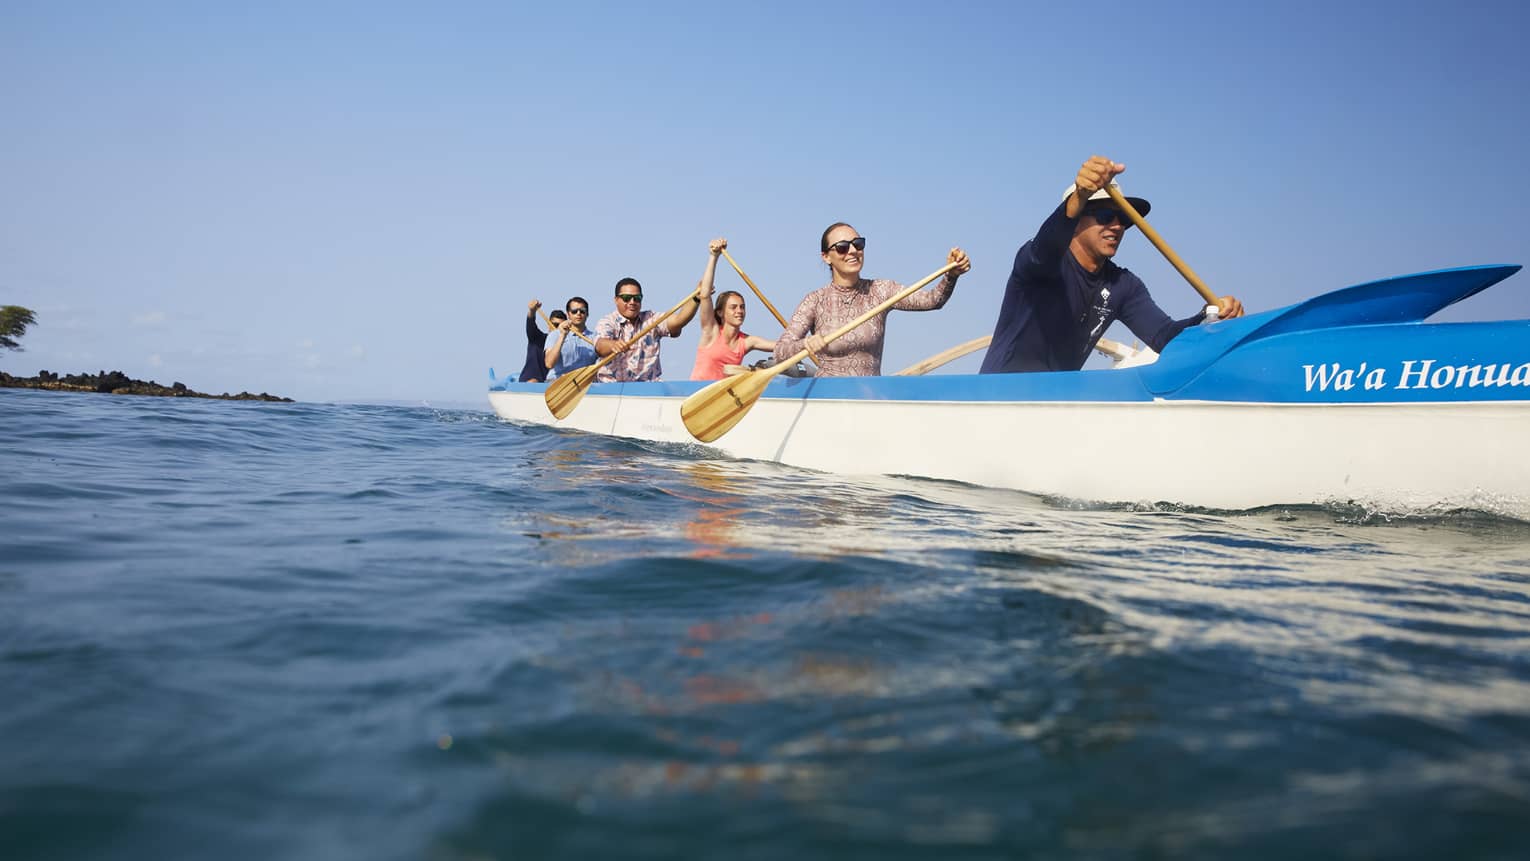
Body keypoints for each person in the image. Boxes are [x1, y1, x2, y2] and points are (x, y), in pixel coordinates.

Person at [980, 156, 1245, 374]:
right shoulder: (1040, 265)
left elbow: (1165, 337)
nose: (1117, 226)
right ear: (1075, 223)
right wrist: (1079, 198)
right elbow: (1045, 246)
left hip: (1055, 407)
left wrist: (1210, 318)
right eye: (1105, 216)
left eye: (1123, 220)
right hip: (998, 401)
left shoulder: (1124, 286)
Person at [772, 223, 970, 376]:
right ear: (826, 257)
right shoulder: (815, 300)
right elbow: (780, 352)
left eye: (858, 244)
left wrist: (951, 275)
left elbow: (933, 300)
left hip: (869, 398)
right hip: (827, 399)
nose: (852, 251)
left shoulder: (881, 291)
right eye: (842, 247)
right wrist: (804, 345)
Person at [592, 253, 707, 382]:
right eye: (626, 298)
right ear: (616, 300)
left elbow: (679, 320)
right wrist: (613, 345)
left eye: (637, 298)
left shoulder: (651, 319)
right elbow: (600, 346)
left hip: (648, 389)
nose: (632, 302)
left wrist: (697, 297)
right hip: (611, 388)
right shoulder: (608, 321)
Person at [690, 238, 778, 380]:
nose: (739, 311)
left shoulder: (746, 341)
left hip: (722, 397)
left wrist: (807, 343)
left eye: (742, 307)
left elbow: (779, 346)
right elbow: (705, 294)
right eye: (733, 307)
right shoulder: (711, 331)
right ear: (720, 312)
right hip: (696, 393)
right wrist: (714, 256)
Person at [543, 296, 598, 380]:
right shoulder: (555, 335)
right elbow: (549, 364)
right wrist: (562, 336)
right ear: (568, 314)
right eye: (574, 311)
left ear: (587, 314)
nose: (578, 314)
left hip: (586, 386)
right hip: (558, 384)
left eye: (582, 311)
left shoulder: (596, 338)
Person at [518, 300, 565, 382]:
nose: (557, 328)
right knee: (533, 382)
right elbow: (530, 324)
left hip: (555, 386)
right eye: (555, 325)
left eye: (561, 326)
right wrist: (532, 311)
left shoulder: (568, 345)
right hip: (532, 384)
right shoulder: (537, 338)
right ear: (549, 324)